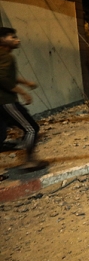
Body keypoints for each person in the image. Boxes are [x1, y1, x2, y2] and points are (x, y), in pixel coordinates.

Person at [0, 27, 47, 170]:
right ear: (2, 40)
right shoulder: (6, 56)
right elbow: (2, 78)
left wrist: (25, 83)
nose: (17, 39)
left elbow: (9, 77)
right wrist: (23, 92)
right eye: (12, 37)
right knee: (31, 128)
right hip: (6, 101)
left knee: (2, 133)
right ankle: (30, 161)